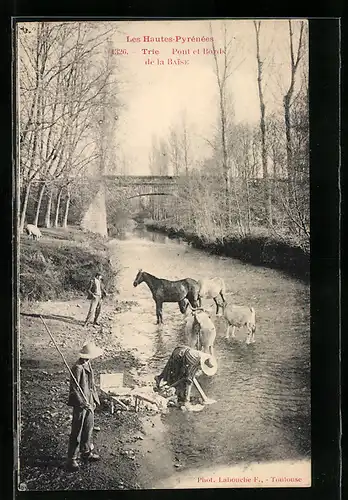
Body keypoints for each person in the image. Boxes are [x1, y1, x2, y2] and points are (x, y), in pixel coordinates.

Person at [66, 342, 103, 471]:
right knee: (77, 430)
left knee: (88, 428)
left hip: (90, 402)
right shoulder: (77, 368)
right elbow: (74, 389)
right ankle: (72, 458)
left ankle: (86, 452)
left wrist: (94, 401)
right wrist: (82, 402)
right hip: (81, 404)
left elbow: (91, 385)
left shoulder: (88, 364)